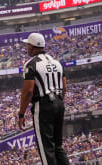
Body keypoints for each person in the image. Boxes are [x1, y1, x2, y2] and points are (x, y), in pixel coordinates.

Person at [18, 33, 69, 165]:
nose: (27, 48)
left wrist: (21, 113)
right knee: (58, 146)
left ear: (33, 47)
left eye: (28, 45)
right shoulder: (56, 62)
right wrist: (58, 102)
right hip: (58, 102)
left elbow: (28, 91)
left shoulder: (31, 64)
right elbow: (64, 86)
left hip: (43, 105)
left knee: (46, 148)